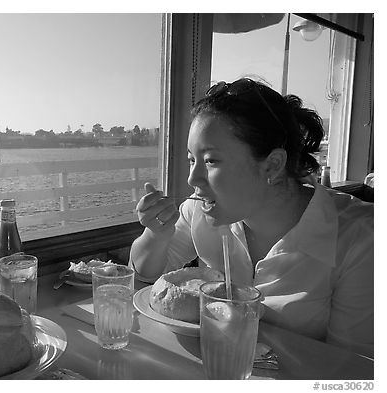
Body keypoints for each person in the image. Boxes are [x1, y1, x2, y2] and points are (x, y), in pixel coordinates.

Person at [129, 78, 373, 357]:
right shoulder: (201, 211)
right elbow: (145, 276)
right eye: (191, 159)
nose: (192, 178)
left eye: (210, 160)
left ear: (273, 164)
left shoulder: (361, 237)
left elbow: (356, 368)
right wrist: (156, 235)